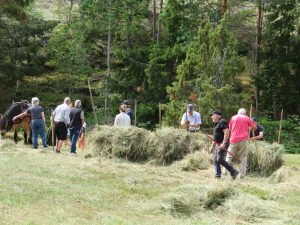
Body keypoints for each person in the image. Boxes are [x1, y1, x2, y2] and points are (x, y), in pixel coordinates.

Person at [226, 108, 256, 179]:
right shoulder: (247, 118)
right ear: (244, 113)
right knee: (243, 157)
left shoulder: (233, 118)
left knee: (229, 156)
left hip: (233, 139)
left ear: (238, 112)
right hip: (243, 140)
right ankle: (242, 175)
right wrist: (250, 129)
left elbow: (230, 129)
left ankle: (224, 172)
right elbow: (254, 127)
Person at [209, 110, 239, 179]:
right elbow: (215, 137)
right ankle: (218, 175)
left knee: (219, 159)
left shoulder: (222, 121)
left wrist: (224, 143)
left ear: (217, 115)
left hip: (223, 142)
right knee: (215, 159)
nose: (211, 117)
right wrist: (212, 146)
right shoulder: (216, 124)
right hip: (218, 143)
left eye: (212, 115)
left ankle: (233, 171)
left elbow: (227, 132)